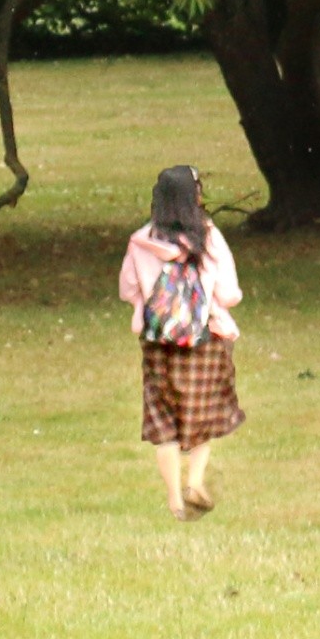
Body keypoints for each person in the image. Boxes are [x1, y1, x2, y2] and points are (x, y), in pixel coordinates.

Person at [117, 162, 243, 518]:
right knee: (204, 413)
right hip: (203, 339)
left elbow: (128, 288)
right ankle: (195, 482)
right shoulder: (208, 237)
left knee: (164, 419)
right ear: (195, 196)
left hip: (157, 342)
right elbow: (228, 293)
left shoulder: (142, 240)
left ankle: (174, 500)